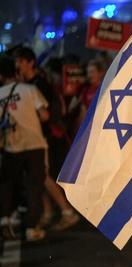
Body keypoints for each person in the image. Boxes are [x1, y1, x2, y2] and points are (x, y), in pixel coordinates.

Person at [14, 47, 80, 231]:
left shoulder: (40, 84)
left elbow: (46, 113)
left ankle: (67, 212)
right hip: (34, 137)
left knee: (43, 176)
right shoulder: (27, 84)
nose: (17, 65)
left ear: (30, 63)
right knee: (35, 177)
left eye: (20, 61)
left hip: (45, 136)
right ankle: (48, 212)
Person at [0, 56, 50, 241]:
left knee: (7, 184)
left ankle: (5, 219)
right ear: (16, 71)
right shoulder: (29, 90)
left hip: (11, 146)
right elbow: (44, 115)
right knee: (34, 186)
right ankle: (31, 228)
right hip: (34, 144)